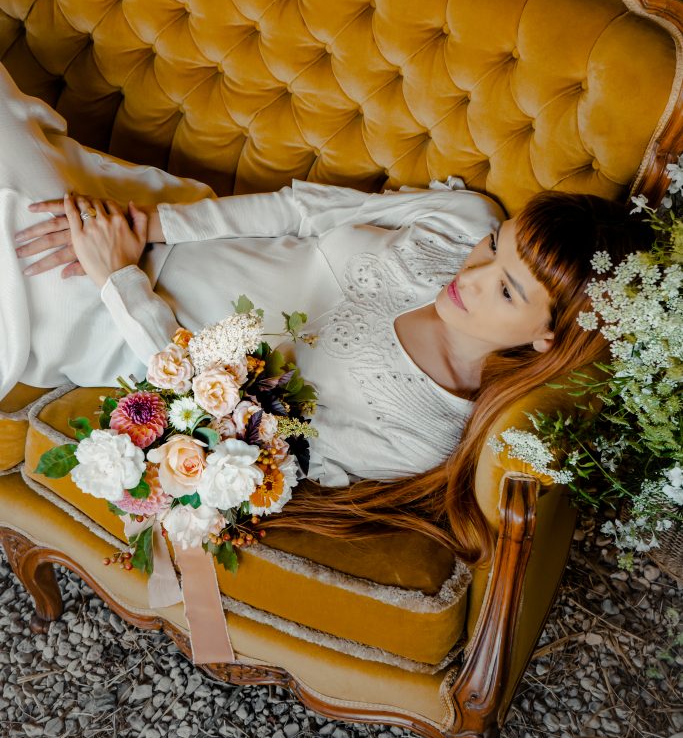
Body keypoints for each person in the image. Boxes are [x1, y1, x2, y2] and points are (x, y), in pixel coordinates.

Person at [2, 61, 650, 563]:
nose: (471, 276)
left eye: (506, 290)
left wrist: (115, 277)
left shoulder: (418, 433)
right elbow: (300, 212)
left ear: (547, 339)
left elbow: (227, 431)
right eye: (492, 249)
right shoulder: (460, 221)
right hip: (148, 222)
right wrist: (153, 224)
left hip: (108, 316)